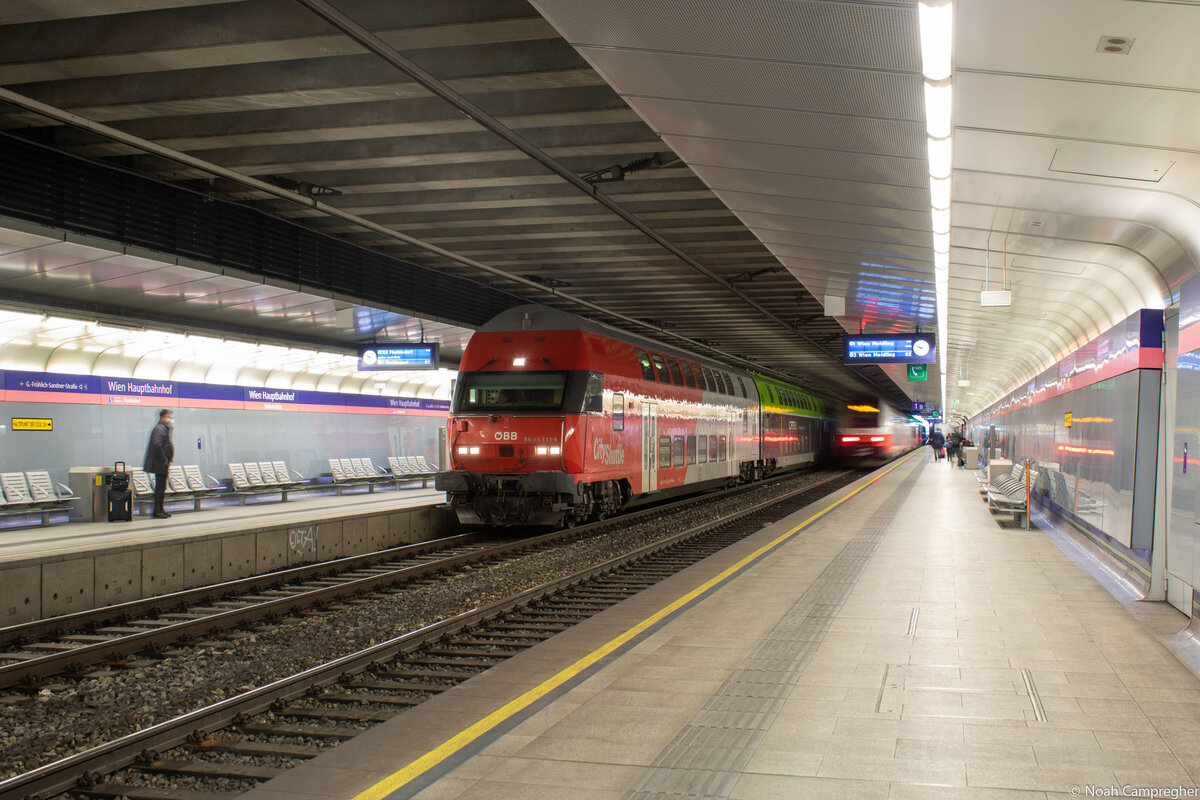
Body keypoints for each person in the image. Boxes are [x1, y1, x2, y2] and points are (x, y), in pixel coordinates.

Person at [143, 408, 175, 519]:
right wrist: (164, 459)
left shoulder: (162, 428)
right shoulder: (160, 428)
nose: (170, 419)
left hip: (161, 463)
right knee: (160, 488)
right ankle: (157, 511)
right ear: (163, 417)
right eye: (169, 417)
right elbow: (157, 445)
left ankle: (160, 509)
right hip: (160, 463)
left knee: (162, 487)